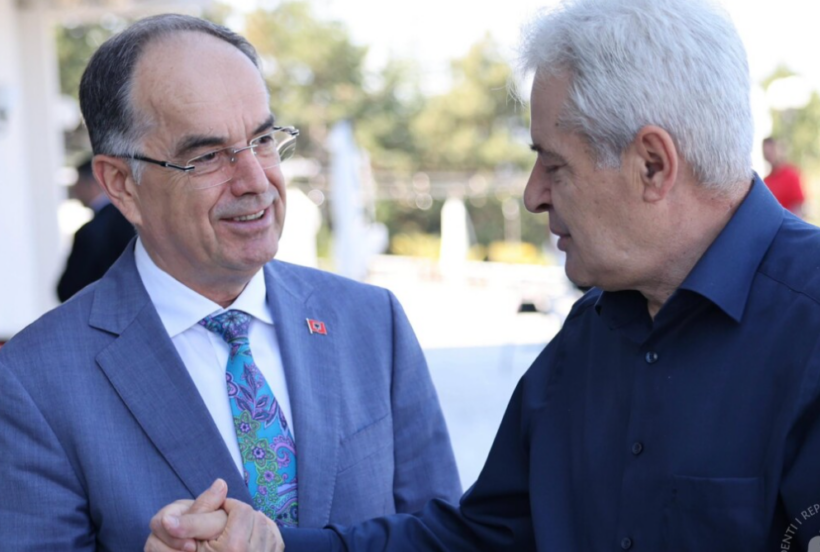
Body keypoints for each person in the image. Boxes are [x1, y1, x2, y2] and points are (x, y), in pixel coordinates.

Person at [148, 0, 820, 550]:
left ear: (652, 165)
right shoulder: (594, 334)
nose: (533, 195)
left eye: (553, 164)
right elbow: (482, 538)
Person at [0, 14, 461, 551]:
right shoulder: (34, 382)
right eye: (208, 156)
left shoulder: (370, 321)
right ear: (122, 184)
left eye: (263, 140)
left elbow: (446, 538)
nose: (256, 181)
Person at [57, 157, 136, 302]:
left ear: (93, 182)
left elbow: (68, 289)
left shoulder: (90, 231)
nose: (75, 189)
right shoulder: (135, 220)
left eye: (78, 182)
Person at [763, 136, 806, 216]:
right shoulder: (766, 182)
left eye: (771, 151)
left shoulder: (791, 175)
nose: (769, 156)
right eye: (766, 153)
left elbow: (798, 207)